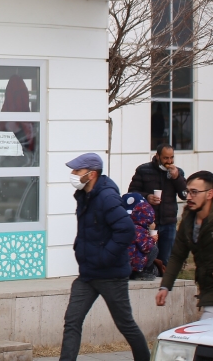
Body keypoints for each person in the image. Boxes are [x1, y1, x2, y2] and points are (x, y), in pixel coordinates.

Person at [59, 153, 149, 361]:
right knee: (72, 321)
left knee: (125, 324)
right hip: (88, 274)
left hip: (110, 274)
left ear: (91, 174)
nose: (73, 175)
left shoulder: (106, 197)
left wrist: (104, 256)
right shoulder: (84, 196)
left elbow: (126, 230)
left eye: (77, 171)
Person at [156, 171, 213, 320]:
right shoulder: (188, 222)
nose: (188, 197)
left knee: (208, 338)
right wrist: (165, 286)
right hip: (211, 289)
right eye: (187, 191)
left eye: (194, 192)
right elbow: (177, 255)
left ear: (209, 194)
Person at [128, 144, 187, 270]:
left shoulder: (178, 173)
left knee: (166, 260)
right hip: (149, 223)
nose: (169, 161)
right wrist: (147, 197)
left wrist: (177, 178)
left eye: (171, 158)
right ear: (157, 156)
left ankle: (163, 285)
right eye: (166, 158)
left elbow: (185, 195)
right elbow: (131, 194)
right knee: (150, 258)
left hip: (169, 222)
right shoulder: (143, 170)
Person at [120, 192, 159, 281]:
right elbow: (146, 247)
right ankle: (139, 273)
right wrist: (152, 239)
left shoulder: (127, 225)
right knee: (154, 249)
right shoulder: (139, 230)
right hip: (134, 262)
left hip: (123, 262)